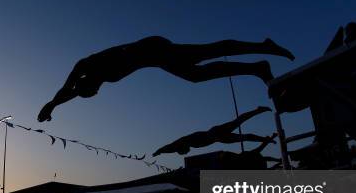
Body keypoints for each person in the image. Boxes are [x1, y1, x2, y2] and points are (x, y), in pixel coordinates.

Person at [38, 36, 294, 121]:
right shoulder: (93, 79)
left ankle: (264, 48)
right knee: (196, 75)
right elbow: (69, 93)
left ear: (88, 83)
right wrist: (51, 106)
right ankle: (257, 68)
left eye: (94, 91)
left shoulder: (86, 65)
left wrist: (53, 103)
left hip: (155, 48)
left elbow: (66, 88)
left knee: (208, 53)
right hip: (156, 58)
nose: (98, 91)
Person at [152, 106, 274, 156]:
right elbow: (169, 148)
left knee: (241, 131)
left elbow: (169, 147)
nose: (188, 152)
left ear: (182, 148)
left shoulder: (186, 141)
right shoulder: (188, 142)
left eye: (185, 152)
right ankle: (259, 117)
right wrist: (159, 152)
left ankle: (264, 135)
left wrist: (159, 151)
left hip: (216, 135)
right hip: (216, 134)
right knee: (239, 127)